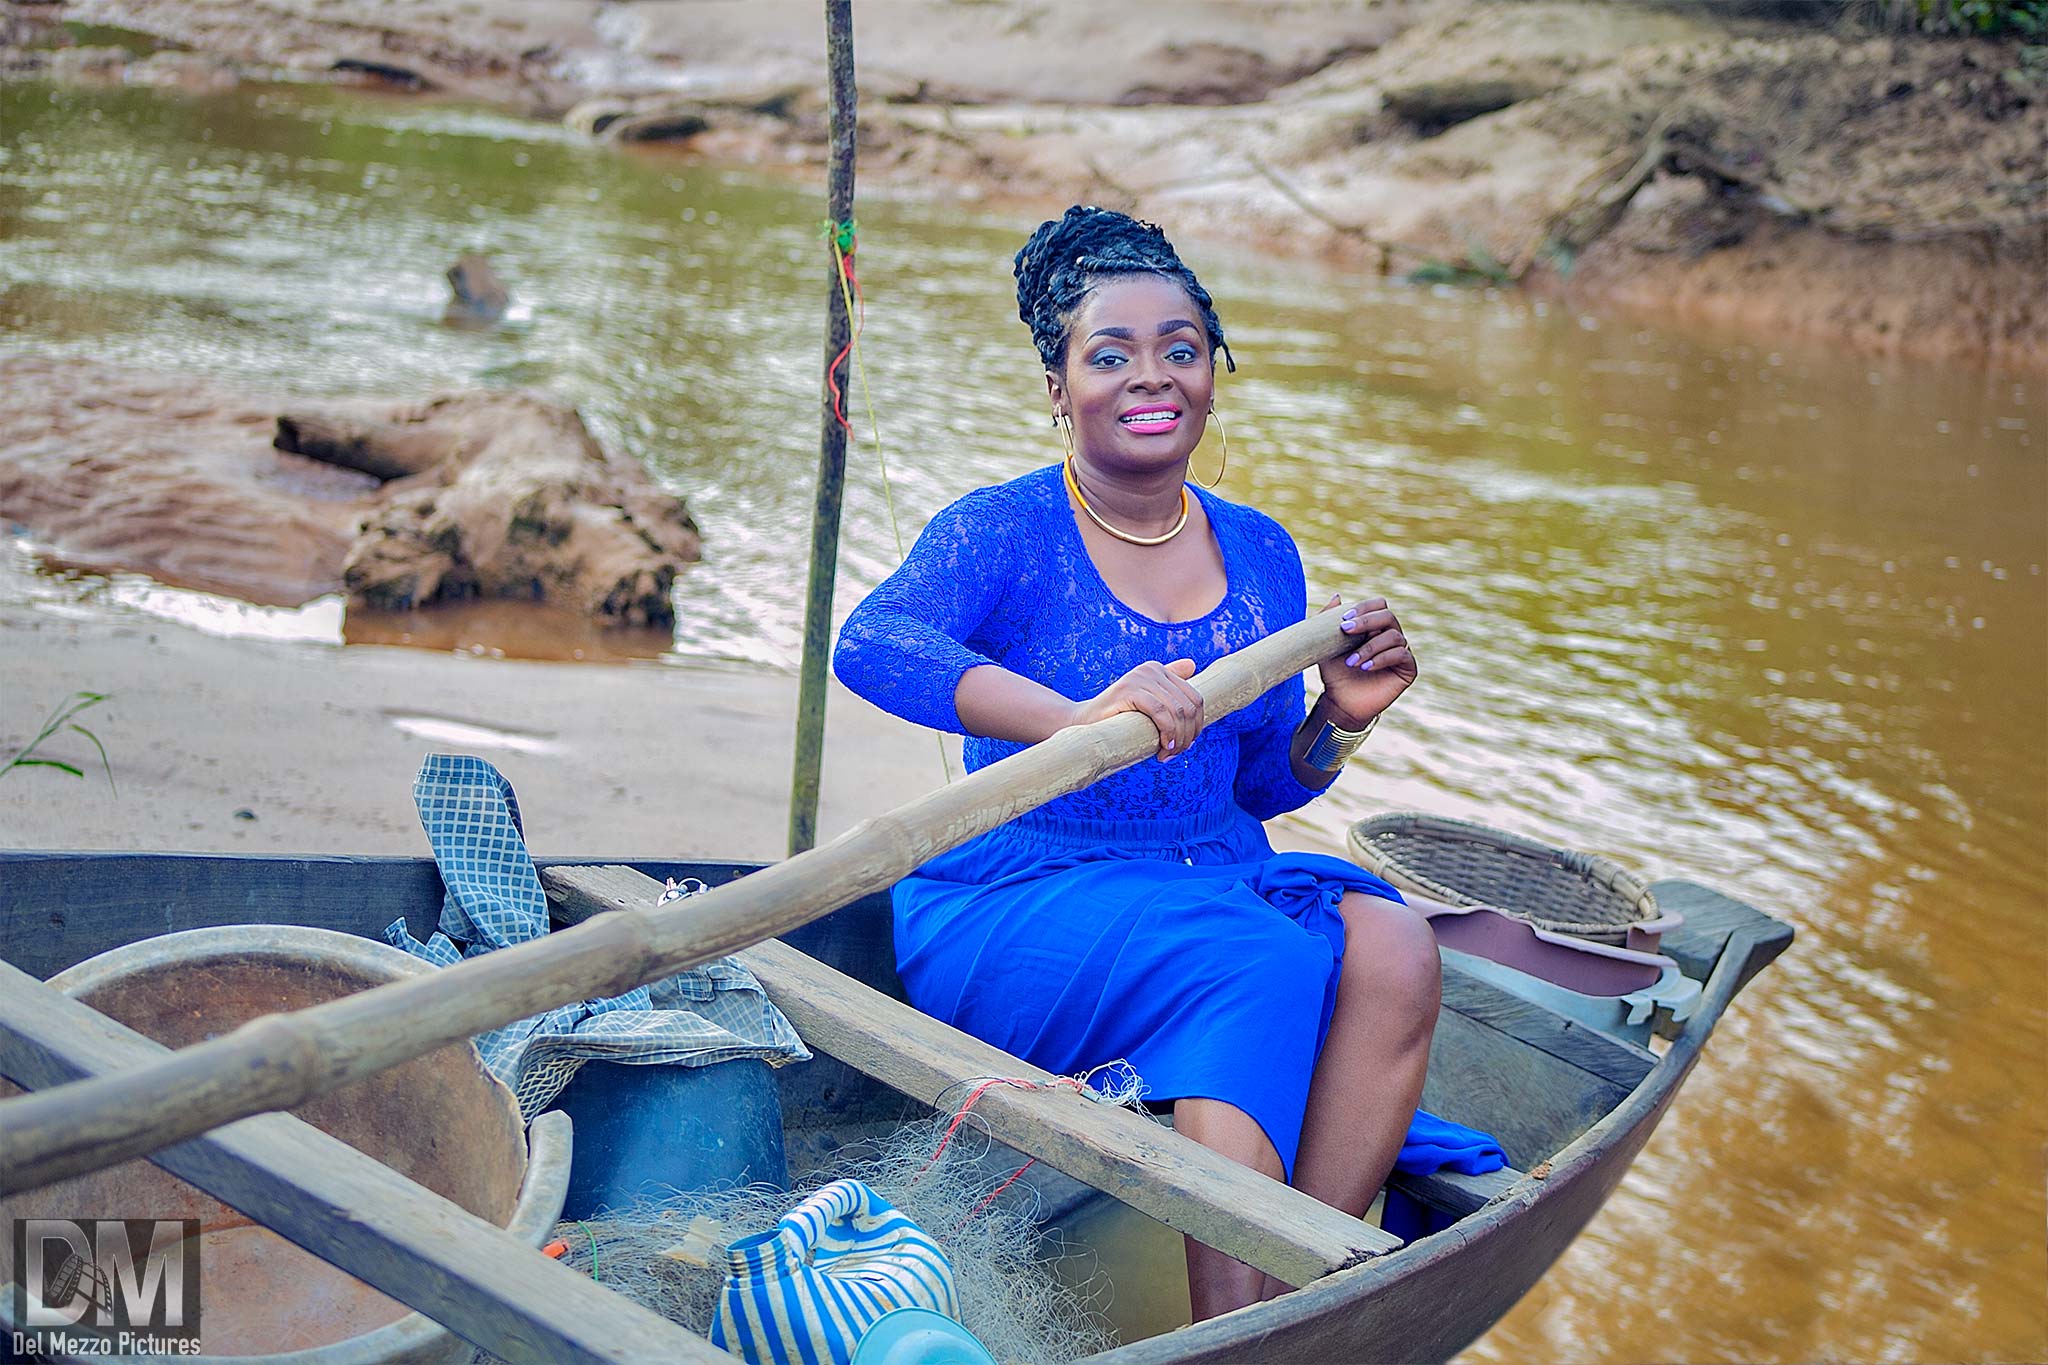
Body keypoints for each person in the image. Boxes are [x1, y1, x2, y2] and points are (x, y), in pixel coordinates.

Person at [833, 205, 1439, 1321]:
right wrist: (1074, 716)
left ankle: (1291, 1292)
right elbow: (872, 645)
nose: (1149, 376)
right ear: (1058, 389)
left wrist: (1341, 720)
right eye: (1108, 356)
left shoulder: (1260, 549)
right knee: (1254, 961)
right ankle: (1237, 1323)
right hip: (1020, 885)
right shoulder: (1002, 528)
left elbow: (1259, 785)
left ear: (1211, 376)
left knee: (1396, 946)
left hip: (1210, 870)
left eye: (1180, 350)